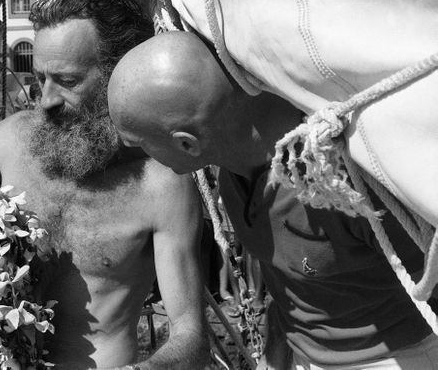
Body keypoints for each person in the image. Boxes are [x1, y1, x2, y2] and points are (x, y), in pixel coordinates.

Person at [0, 0, 209, 369]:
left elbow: (191, 335)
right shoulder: (14, 139)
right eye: (41, 79)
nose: (46, 100)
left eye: (67, 81)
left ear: (119, 74)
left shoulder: (161, 184)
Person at [106, 31, 438, 369]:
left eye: (139, 143)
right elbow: (291, 287)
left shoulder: (344, 183)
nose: (140, 155)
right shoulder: (231, 175)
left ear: (188, 145)